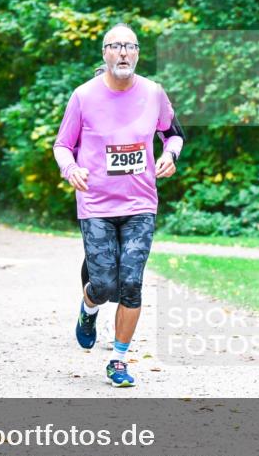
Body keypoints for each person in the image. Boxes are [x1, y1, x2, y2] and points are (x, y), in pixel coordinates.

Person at [54, 24, 185, 386]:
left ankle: (119, 359)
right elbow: (62, 144)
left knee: (131, 284)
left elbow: (173, 134)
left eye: (130, 46)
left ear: (138, 53)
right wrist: (70, 168)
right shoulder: (83, 96)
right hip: (96, 203)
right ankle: (88, 307)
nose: (123, 52)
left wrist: (170, 155)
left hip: (141, 202)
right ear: (104, 53)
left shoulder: (154, 93)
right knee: (103, 284)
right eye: (116, 46)